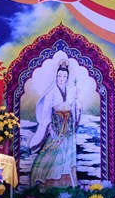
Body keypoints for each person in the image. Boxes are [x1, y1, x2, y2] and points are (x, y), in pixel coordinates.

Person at [29, 59, 82, 187]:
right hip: (56, 124)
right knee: (54, 150)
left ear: (67, 77)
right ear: (56, 77)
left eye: (64, 76)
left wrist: (76, 102)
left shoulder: (71, 90)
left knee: (68, 150)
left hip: (68, 125)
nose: (61, 79)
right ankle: (47, 179)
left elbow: (75, 107)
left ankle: (67, 181)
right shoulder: (51, 94)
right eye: (59, 76)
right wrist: (50, 128)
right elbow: (46, 113)